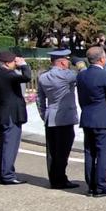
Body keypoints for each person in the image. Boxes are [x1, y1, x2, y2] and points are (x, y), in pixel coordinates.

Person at [77, 46, 106, 197]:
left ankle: (91, 185)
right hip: (103, 119)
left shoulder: (81, 76)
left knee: (89, 152)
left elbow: (81, 98)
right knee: (103, 153)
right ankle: (100, 185)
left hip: (87, 117)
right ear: (102, 59)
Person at [36, 49, 80, 189]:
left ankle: (53, 178)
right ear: (62, 62)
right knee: (63, 150)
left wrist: (44, 114)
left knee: (52, 151)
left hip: (50, 116)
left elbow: (39, 99)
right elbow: (84, 76)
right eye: (67, 60)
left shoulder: (43, 77)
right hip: (64, 117)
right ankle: (61, 179)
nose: (68, 63)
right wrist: (80, 64)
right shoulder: (68, 76)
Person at [0, 50, 31, 184]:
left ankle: (4, 172)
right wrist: (24, 65)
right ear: (6, 63)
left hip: (1, 114)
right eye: (13, 61)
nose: (14, 63)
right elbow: (27, 77)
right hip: (11, 115)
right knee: (10, 145)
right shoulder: (8, 74)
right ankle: (7, 175)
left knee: (4, 145)